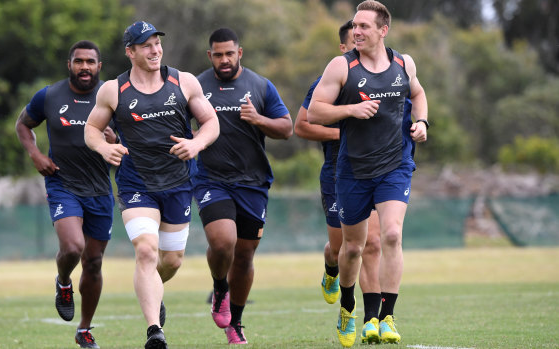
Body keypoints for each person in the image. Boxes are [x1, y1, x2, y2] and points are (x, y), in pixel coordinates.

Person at [84, 21, 219, 349]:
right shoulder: (113, 90)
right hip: (136, 185)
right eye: (146, 45)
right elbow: (90, 128)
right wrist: (104, 147)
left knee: (170, 261)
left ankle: (154, 292)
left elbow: (211, 122)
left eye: (157, 42)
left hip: (178, 183)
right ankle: (154, 331)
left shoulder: (183, 82)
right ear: (130, 51)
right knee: (146, 251)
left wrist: (196, 144)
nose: (155, 49)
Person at [308, 0, 429, 346]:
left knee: (391, 235)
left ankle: (387, 317)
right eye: (354, 26)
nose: (356, 31)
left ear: (383, 30)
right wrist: (351, 109)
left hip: (395, 166)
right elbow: (315, 112)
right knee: (352, 250)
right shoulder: (341, 66)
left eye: (364, 26)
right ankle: (347, 307)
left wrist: (421, 122)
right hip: (353, 170)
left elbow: (418, 94)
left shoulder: (404, 63)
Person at [294, 19, 393, 345]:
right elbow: (302, 126)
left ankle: (370, 319)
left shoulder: (387, 75)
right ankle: (331, 270)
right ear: (343, 47)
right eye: (353, 40)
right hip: (338, 171)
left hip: (375, 170)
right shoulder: (328, 81)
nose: (360, 44)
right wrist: (346, 126)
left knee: (374, 243)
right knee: (342, 248)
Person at [194, 28, 292, 345]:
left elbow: (287, 128)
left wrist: (258, 119)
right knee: (224, 242)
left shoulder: (261, 86)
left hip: (252, 183)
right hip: (211, 179)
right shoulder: (195, 86)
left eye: (229, 53)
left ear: (240, 53)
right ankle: (219, 286)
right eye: (218, 54)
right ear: (210, 56)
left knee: (245, 256)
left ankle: (235, 323)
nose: (224, 59)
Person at [15, 40, 116, 348]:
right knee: (73, 248)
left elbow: (130, 138)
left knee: (94, 262)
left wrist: (115, 138)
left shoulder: (112, 98)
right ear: (69, 64)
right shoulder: (49, 95)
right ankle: (63, 282)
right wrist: (35, 154)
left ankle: (84, 330)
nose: (84, 66)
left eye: (90, 62)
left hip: (99, 189)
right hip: (63, 184)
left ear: (99, 67)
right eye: (78, 61)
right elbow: (23, 124)